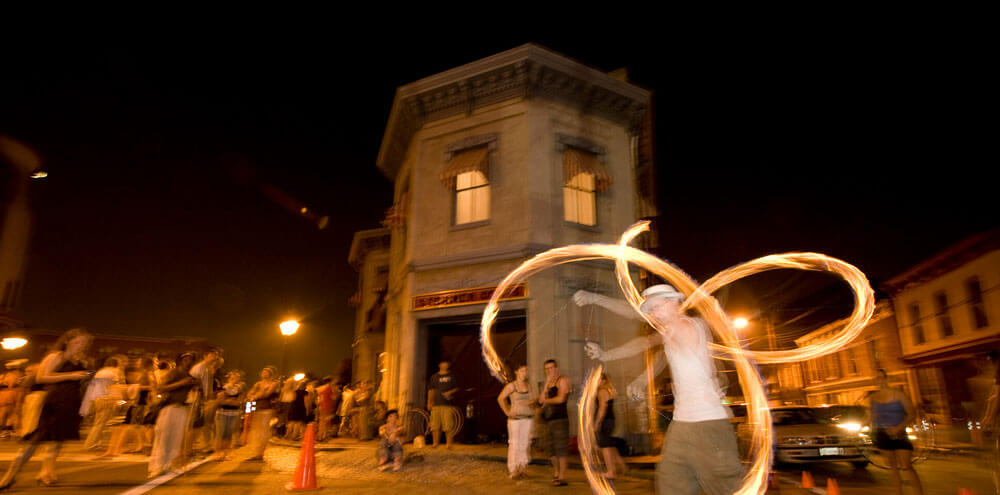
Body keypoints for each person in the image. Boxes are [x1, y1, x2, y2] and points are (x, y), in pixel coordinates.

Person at [575, 284, 741, 495]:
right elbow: (647, 345)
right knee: (671, 485)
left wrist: (595, 298)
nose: (653, 314)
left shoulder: (688, 327)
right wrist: (608, 357)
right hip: (682, 424)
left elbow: (638, 320)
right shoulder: (672, 332)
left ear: (674, 303)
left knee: (727, 489)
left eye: (656, 307)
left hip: (708, 424)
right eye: (650, 310)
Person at [0, 327, 93, 489]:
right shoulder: (57, 356)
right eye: (78, 342)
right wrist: (71, 375)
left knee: (57, 441)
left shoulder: (80, 360)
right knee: (34, 443)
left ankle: (45, 473)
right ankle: (9, 477)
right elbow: (41, 377)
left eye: (84, 342)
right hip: (54, 403)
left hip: (69, 403)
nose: (81, 345)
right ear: (67, 341)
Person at [868, 369, 923, 495]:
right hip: (882, 434)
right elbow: (873, 416)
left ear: (886, 378)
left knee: (906, 466)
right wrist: (863, 424)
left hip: (899, 434)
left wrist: (899, 428)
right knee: (892, 467)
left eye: (881, 377)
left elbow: (912, 414)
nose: (879, 380)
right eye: (876, 378)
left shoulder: (898, 394)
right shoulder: (873, 398)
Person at [148, 352, 196, 478]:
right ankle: (157, 467)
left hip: (182, 408)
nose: (188, 362)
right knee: (163, 437)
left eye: (191, 360)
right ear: (181, 361)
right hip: (169, 407)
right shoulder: (174, 372)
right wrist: (181, 384)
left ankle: (170, 465)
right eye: (186, 359)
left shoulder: (190, 376)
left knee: (176, 439)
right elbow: (160, 388)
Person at [497, 363, 537, 480]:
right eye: (522, 371)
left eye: (526, 371)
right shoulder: (512, 386)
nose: (525, 373)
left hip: (527, 418)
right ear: (517, 372)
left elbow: (533, 400)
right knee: (514, 443)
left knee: (525, 444)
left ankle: (522, 468)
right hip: (515, 419)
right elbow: (500, 398)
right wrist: (507, 411)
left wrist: (531, 403)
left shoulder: (529, 386)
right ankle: (513, 469)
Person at [538, 359, 571, 486]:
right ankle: (556, 473)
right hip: (549, 420)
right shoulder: (548, 383)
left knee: (561, 449)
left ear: (556, 368)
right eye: (546, 369)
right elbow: (541, 400)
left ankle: (562, 476)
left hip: (560, 419)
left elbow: (561, 398)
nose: (549, 371)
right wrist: (546, 384)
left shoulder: (562, 380)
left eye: (551, 368)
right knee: (551, 450)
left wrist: (547, 401)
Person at [82, 356, 125, 450]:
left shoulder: (101, 371)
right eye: (121, 363)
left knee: (98, 422)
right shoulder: (114, 371)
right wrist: (119, 400)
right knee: (100, 423)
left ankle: (96, 443)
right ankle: (90, 444)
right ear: (116, 364)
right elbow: (115, 387)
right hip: (106, 398)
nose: (122, 365)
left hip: (97, 398)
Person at [594, 373, 625, 480]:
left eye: (597, 380)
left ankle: (611, 471)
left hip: (605, 420)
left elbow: (602, 408)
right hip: (611, 420)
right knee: (609, 444)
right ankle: (621, 465)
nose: (595, 382)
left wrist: (597, 422)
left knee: (604, 446)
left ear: (603, 381)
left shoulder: (601, 391)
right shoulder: (609, 390)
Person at [246, 366, 280, 460]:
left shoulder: (274, 384)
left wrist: (256, 395)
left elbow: (267, 394)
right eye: (263, 372)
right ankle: (257, 452)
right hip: (258, 409)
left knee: (264, 432)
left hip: (268, 409)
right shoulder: (258, 384)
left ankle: (261, 453)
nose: (264, 373)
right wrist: (257, 394)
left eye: (267, 372)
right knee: (256, 431)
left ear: (271, 374)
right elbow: (249, 394)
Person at [212, 370, 245, 461]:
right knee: (220, 433)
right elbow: (220, 400)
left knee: (229, 434)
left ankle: (225, 453)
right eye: (233, 378)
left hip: (234, 413)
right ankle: (218, 452)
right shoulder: (224, 388)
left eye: (237, 378)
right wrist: (232, 401)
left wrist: (229, 401)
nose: (234, 380)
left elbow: (239, 402)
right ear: (229, 378)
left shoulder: (239, 389)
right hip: (222, 412)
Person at [428, 361, 460, 449]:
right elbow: (431, 390)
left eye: (446, 363)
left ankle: (449, 444)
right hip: (436, 405)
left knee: (448, 425)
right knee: (435, 425)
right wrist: (429, 402)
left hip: (447, 405)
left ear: (448, 365)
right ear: (439, 365)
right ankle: (435, 443)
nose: (444, 365)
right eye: (442, 363)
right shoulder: (434, 377)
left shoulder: (452, 376)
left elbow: (456, 388)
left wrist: (450, 392)